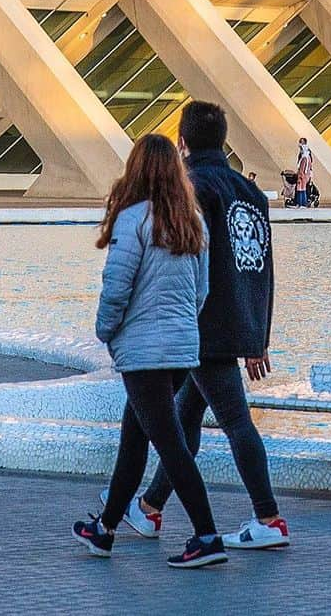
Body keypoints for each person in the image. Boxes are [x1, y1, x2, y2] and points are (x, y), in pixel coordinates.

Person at [122, 102, 289, 552]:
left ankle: (268, 516)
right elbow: (260, 268)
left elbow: (183, 263)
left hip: (201, 324)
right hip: (236, 325)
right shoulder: (249, 193)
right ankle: (151, 507)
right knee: (186, 417)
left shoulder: (191, 186)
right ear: (224, 139)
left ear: (182, 141)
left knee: (234, 421)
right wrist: (259, 335)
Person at [72, 133, 227, 570]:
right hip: (180, 351)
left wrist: (106, 331)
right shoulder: (191, 221)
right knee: (134, 438)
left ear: (136, 169)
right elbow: (202, 292)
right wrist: (179, 331)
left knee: (170, 445)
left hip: (144, 353)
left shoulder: (133, 220)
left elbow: (116, 288)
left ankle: (207, 535)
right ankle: (104, 529)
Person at [295, 137, 314, 209]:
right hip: (306, 175)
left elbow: (303, 168)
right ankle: (303, 203)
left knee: (300, 189)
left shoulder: (304, 158)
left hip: (302, 175)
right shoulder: (308, 157)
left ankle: (301, 203)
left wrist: (300, 175)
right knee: (303, 189)